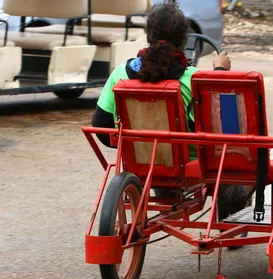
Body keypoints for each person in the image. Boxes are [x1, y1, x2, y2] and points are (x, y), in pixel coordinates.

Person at [91, 0, 251, 225]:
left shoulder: (120, 75)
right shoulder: (193, 79)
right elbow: (225, 125)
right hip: (193, 167)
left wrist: (135, 144)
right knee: (233, 153)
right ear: (184, 41)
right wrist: (219, 72)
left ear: (148, 37)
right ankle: (230, 214)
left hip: (144, 163)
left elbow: (101, 126)